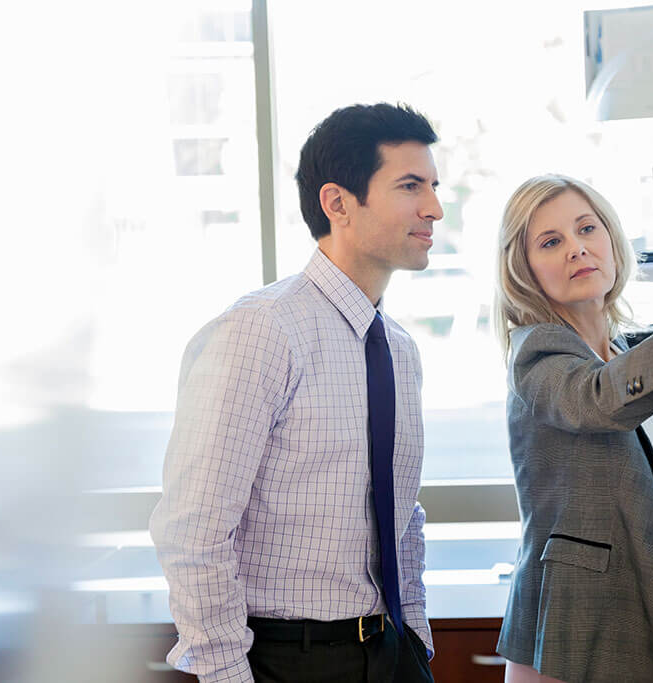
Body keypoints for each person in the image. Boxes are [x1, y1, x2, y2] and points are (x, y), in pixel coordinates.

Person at [149, 103, 443, 683]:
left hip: (390, 652)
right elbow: (193, 530)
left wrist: (414, 640)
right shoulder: (260, 332)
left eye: (434, 186)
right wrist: (229, 676)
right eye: (411, 186)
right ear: (338, 203)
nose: (433, 207)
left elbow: (400, 513)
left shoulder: (399, 348)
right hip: (288, 659)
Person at [492, 174, 653, 683]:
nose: (576, 248)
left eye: (587, 228)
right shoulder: (538, 354)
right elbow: (601, 398)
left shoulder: (617, 351)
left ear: (612, 238)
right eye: (551, 242)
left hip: (626, 631)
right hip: (576, 641)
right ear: (524, 270)